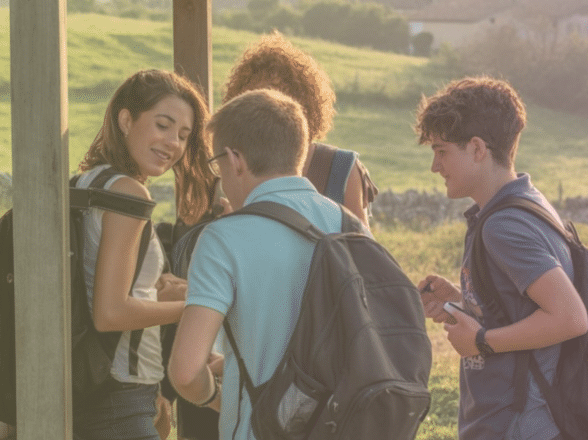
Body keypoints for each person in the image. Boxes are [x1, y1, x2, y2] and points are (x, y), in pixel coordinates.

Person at [168, 89, 360, 440]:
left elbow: (185, 371)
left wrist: (219, 399)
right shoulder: (349, 225)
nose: (222, 180)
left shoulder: (222, 238)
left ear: (235, 160)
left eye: (218, 165)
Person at [414, 77, 588, 440]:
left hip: (519, 425)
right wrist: (461, 304)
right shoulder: (524, 203)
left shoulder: (504, 226)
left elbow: (570, 317)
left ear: (477, 149)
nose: (434, 166)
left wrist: (480, 341)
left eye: (442, 150)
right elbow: (520, 310)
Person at [74, 69, 217, 440]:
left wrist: (158, 291)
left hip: (100, 389)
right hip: (119, 397)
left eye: (184, 136)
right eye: (163, 125)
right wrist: (201, 305)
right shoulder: (128, 195)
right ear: (126, 120)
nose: (173, 143)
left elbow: (96, 285)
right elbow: (110, 312)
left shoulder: (90, 182)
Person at [222, 31, 378, 228]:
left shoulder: (340, 167)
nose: (271, 107)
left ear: (304, 103)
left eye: (281, 95)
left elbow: (360, 249)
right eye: (258, 97)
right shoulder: (234, 164)